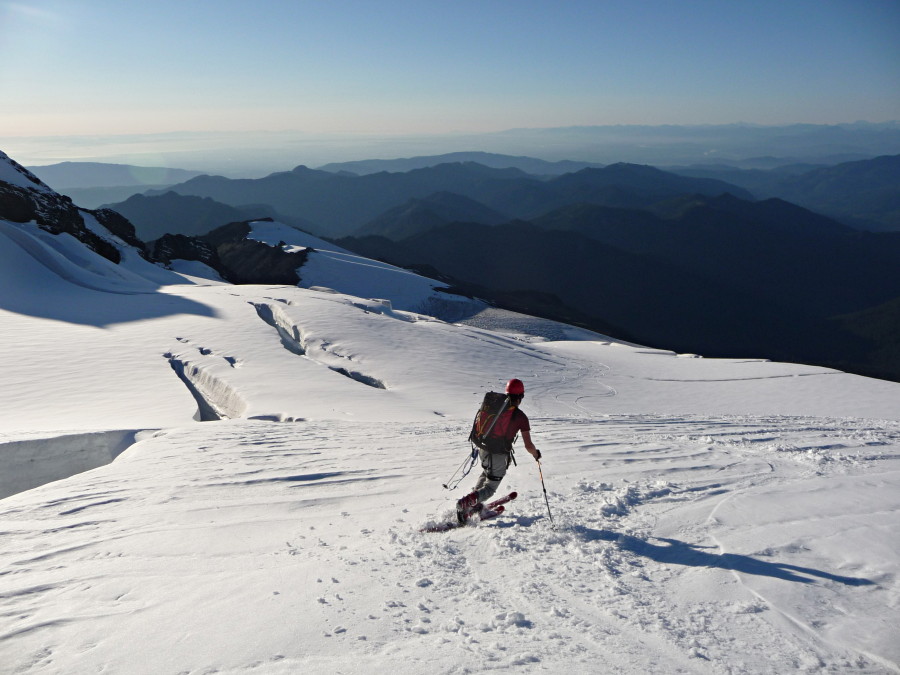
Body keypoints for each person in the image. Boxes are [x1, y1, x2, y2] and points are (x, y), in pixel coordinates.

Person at [456, 378, 541, 522]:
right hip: (498, 455)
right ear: (520, 396)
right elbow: (528, 446)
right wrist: (536, 454)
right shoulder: (520, 416)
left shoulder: (493, 408)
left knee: (486, 473)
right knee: (490, 487)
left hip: (483, 448)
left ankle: (474, 502)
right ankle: (466, 504)